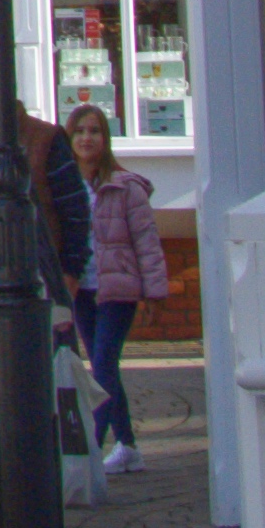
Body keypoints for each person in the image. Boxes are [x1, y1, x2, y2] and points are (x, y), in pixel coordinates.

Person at [68, 103, 167, 477]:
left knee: (104, 366)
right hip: (82, 290)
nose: (86, 138)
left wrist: (155, 292)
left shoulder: (126, 187)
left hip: (118, 290)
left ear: (105, 139)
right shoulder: (64, 186)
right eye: (79, 131)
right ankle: (128, 447)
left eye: (94, 131)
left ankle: (92, 448)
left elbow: (147, 242)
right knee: (101, 367)